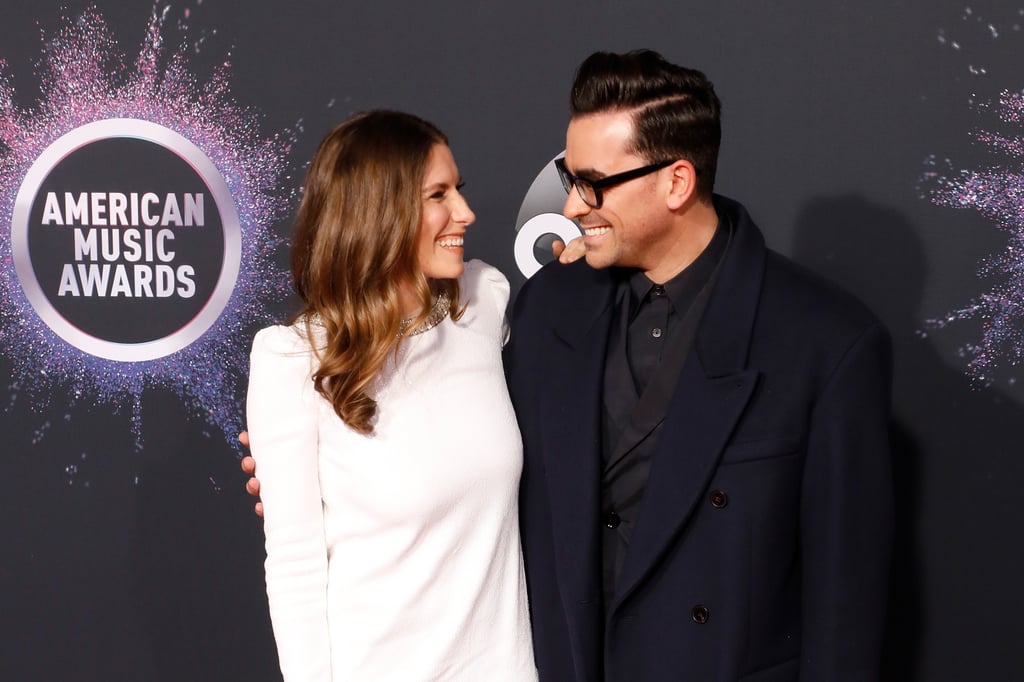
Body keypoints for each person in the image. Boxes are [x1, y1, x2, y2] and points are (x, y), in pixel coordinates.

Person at [503, 50, 893, 681]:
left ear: (677, 182)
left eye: (592, 184)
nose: (573, 208)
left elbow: (844, 598)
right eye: (570, 180)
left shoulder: (826, 342)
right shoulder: (549, 307)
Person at [245, 110, 537, 681]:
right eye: (438, 195)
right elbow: (296, 568)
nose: (465, 213)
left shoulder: (482, 301)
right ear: (379, 211)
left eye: (459, 189)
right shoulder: (292, 360)